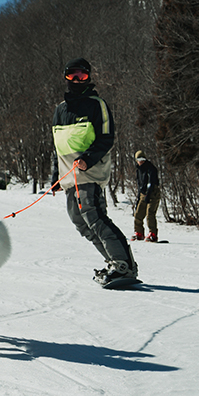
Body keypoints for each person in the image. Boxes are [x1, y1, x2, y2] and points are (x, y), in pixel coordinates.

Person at [50, 58, 138, 285]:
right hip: (69, 178)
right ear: (65, 77)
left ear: (89, 77)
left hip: (90, 174)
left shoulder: (97, 104)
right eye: (72, 75)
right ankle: (113, 263)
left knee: (95, 217)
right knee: (80, 222)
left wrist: (87, 160)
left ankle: (124, 265)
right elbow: (58, 147)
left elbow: (106, 138)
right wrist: (55, 178)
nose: (77, 80)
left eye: (82, 76)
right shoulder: (60, 110)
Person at [132, 150, 160, 242]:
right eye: (139, 159)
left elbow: (151, 182)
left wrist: (148, 194)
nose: (141, 161)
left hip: (153, 193)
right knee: (138, 214)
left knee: (150, 214)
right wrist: (139, 197)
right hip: (143, 194)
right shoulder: (138, 170)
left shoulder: (150, 168)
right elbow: (140, 185)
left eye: (143, 159)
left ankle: (153, 234)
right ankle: (139, 233)